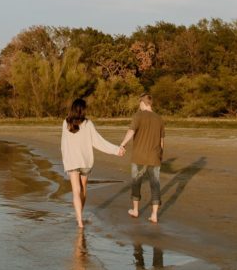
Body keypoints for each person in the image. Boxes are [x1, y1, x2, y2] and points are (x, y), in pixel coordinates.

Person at [61, 98, 125, 228]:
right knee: (83, 190)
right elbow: (98, 141)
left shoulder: (66, 123)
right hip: (85, 161)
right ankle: (81, 214)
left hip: (72, 161)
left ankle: (79, 221)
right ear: (83, 110)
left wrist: (65, 161)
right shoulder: (88, 123)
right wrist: (116, 150)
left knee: (76, 191)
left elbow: (64, 144)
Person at [119, 94, 165, 223]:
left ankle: (135, 210)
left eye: (140, 102)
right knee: (155, 185)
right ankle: (154, 215)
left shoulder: (138, 115)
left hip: (139, 156)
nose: (139, 105)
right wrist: (160, 155)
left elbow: (131, 131)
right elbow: (162, 142)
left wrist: (122, 144)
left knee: (136, 183)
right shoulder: (159, 119)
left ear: (144, 103)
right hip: (154, 157)